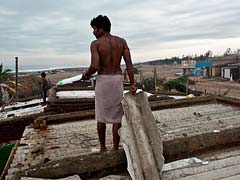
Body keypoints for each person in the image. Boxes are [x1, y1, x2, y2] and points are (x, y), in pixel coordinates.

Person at [81, 15, 136, 152]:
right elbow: (129, 64)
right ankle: (115, 148)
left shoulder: (96, 44)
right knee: (117, 116)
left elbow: (94, 66)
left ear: (101, 29)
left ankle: (103, 148)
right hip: (117, 80)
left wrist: (86, 75)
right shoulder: (122, 42)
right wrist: (132, 83)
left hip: (104, 81)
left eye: (94, 29)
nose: (93, 32)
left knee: (101, 116)